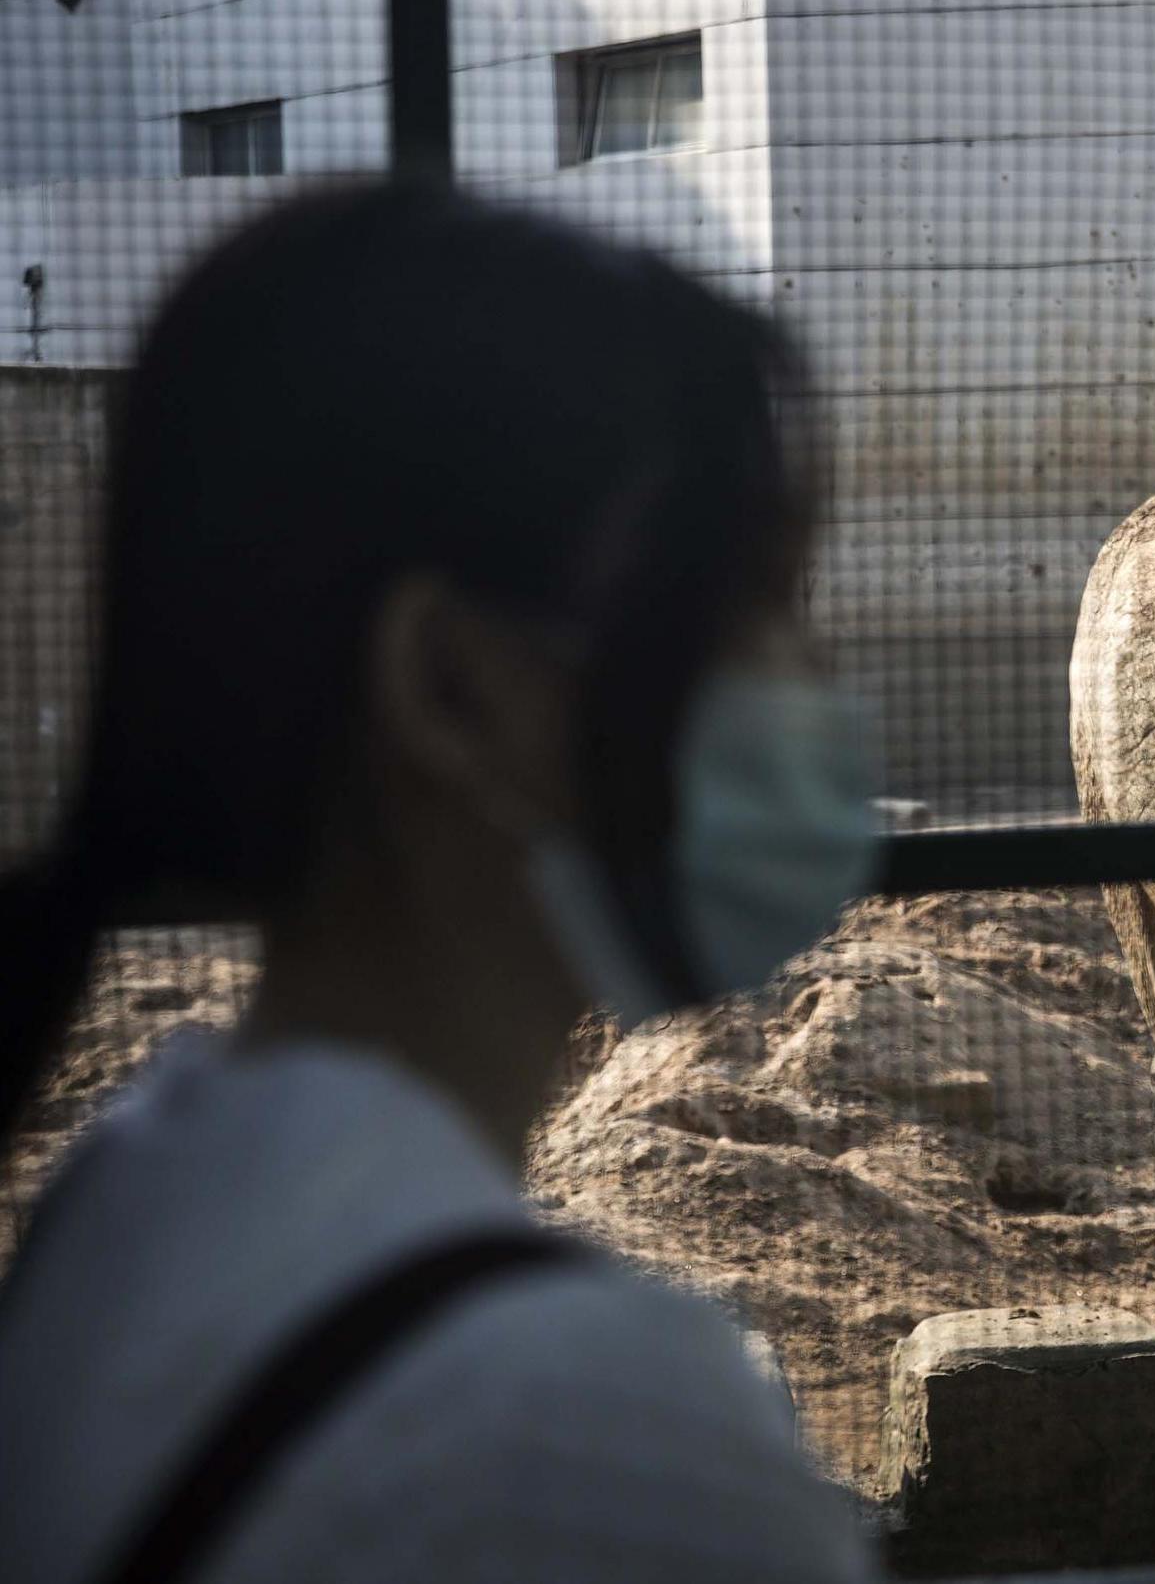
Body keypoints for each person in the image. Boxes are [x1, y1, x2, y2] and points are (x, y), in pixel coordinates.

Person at [0, 184, 884, 1583]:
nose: (814, 682)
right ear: (453, 689)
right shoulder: (595, 1428)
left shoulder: (119, 1191)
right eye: (746, 606)